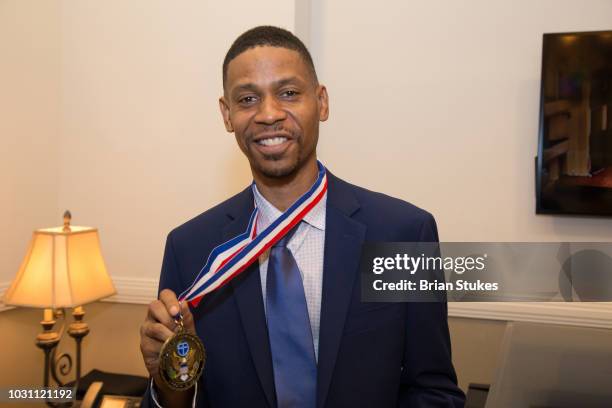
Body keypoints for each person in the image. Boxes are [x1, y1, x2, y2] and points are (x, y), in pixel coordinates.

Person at [139, 25, 465, 407]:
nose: (269, 114)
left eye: (289, 93)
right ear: (227, 115)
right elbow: (178, 397)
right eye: (247, 99)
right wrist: (169, 379)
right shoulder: (191, 248)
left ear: (322, 101)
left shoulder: (402, 234)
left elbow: (434, 392)